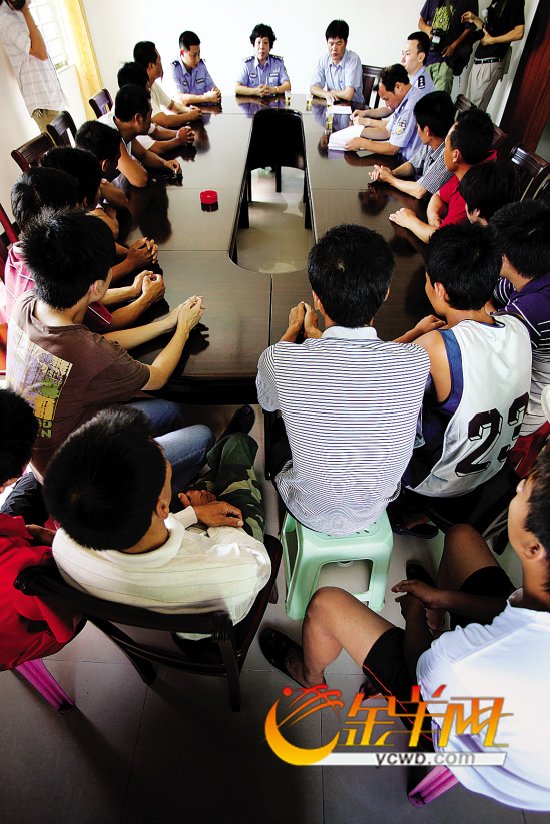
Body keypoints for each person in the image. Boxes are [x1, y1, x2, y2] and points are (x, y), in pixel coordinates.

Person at [258, 444, 550, 810]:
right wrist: (443, 598)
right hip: (494, 679)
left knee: (324, 605)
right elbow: (511, 610)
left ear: (534, 548)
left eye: (524, 489)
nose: (518, 486)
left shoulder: (464, 664)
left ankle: (309, 675)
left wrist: (414, 613)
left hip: (454, 717)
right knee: (461, 536)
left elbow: (420, 669)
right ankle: (437, 620)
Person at [6, 208, 213, 489]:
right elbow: (157, 376)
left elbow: (99, 345)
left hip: (43, 459)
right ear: (96, 286)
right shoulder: (87, 352)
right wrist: (183, 328)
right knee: (202, 437)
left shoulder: (27, 302)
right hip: (79, 481)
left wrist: (167, 323)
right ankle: (150, 498)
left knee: (170, 411)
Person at [256, 224, 431, 537]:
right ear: (386, 292)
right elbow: (370, 361)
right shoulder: (416, 361)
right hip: (372, 509)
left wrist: (294, 330)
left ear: (317, 299)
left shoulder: (280, 359)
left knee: (279, 426)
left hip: (305, 506)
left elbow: (267, 401)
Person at [45, 405, 271, 633]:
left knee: (213, 481)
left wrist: (195, 513)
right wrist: (217, 525)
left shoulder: (64, 543)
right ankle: (230, 446)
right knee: (236, 450)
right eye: (163, 456)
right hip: (226, 573)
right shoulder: (238, 572)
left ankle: (224, 454)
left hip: (174, 581)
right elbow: (259, 562)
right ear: (163, 508)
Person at [396, 222, 531, 498]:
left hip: (438, 482)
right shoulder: (518, 326)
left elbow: (371, 367)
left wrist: (414, 333)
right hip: (493, 468)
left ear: (441, 291)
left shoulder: (437, 346)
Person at [4, 166, 165, 334]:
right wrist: (147, 298)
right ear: (56, 223)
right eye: (75, 210)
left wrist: (132, 290)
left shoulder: (16, 253)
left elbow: (90, 298)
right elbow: (107, 325)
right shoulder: (55, 274)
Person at [0, 387, 78, 669]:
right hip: (29, 633)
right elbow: (63, 616)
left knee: (37, 485)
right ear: (9, 480)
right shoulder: (26, 568)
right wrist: (66, 547)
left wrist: (27, 531)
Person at [490, 201, 550, 476]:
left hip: (526, 413)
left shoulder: (530, 312)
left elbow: (490, 340)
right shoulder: (534, 272)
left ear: (504, 258)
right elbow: (498, 290)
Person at [389, 107, 495, 242]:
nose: (442, 152)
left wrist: (410, 221)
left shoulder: (473, 191)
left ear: (455, 155)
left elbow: (440, 239)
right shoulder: (468, 168)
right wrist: (433, 216)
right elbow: (438, 196)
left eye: (446, 146)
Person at [369, 91, 455, 199]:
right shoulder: (432, 142)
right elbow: (413, 165)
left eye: (418, 126)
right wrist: (392, 173)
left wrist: (390, 179)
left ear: (427, 131)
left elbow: (420, 191)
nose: (417, 130)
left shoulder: (448, 154)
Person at [0, 0, 67, 130]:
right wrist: (25, 9)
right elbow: (41, 53)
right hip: (43, 103)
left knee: (67, 143)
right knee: (58, 144)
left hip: (50, 98)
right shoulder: (6, 19)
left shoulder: (17, 14)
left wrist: (24, 10)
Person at [98, 84, 181, 187]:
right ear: (138, 118)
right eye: (150, 115)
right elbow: (140, 180)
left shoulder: (123, 125)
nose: (151, 121)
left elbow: (143, 155)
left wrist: (165, 163)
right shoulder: (111, 135)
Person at [351, 32, 434, 123]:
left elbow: (401, 125)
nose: (402, 59)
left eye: (407, 54)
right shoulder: (409, 78)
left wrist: (367, 122)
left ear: (420, 57)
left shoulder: (421, 88)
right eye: (402, 53)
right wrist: (365, 113)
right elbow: (390, 108)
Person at [347, 64, 424, 159]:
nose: (387, 105)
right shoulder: (406, 97)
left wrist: (362, 143)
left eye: (387, 99)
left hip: (406, 160)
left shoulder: (410, 107)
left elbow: (393, 149)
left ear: (398, 87)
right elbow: (387, 132)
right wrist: (357, 131)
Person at [117, 62, 194, 153]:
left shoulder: (128, 105)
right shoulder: (128, 123)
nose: (149, 91)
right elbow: (155, 148)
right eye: (147, 88)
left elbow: (156, 132)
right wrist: (179, 140)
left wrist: (180, 134)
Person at [462, 2, 525, 111]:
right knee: (466, 107)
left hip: (489, 64)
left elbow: (519, 33)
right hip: (479, 63)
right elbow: (490, 30)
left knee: (473, 111)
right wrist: (475, 19)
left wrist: (492, 40)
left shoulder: (515, 3)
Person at [133, 40, 201, 127]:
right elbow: (165, 121)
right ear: (151, 65)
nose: (161, 64)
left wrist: (189, 110)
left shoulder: (152, 84)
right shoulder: (141, 90)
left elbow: (171, 105)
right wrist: (189, 116)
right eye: (159, 60)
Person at [418, 0, 478, 94]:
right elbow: (421, 21)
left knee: (440, 99)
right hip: (426, 58)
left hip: (446, 59)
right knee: (422, 97)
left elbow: (470, 27)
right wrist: (427, 29)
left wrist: (453, 46)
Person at [310, 19, 364, 104]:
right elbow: (313, 88)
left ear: (346, 43)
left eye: (338, 43)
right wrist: (326, 94)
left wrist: (331, 92)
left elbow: (348, 95)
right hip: (333, 106)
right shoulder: (324, 59)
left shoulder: (353, 60)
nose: (334, 48)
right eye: (331, 44)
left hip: (354, 108)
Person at [235, 23, 291, 97]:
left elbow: (287, 85)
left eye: (265, 43)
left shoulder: (278, 63)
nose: (261, 47)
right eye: (258, 42)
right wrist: (255, 91)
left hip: (273, 103)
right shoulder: (247, 64)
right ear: (253, 45)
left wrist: (274, 89)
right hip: (253, 104)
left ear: (270, 46)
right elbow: (237, 88)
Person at [172, 30, 220, 105]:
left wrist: (216, 94)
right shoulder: (173, 69)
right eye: (194, 55)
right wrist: (206, 98)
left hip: (201, 110)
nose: (198, 59)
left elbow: (214, 90)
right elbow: (179, 99)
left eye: (199, 54)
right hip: (183, 112)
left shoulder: (201, 66)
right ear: (182, 53)